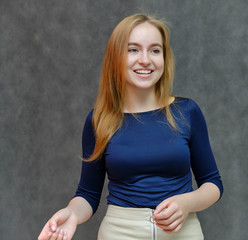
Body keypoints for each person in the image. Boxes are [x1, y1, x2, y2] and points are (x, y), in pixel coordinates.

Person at [38, 13, 223, 240]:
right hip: (119, 233)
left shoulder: (187, 112)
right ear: (116, 57)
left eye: (155, 50)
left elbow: (212, 183)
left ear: (164, 57)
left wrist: (186, 202)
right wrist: (72, 213)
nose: (145, 59)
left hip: (183, 233)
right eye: (133, 49)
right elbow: (88, 193)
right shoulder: (99, 121)